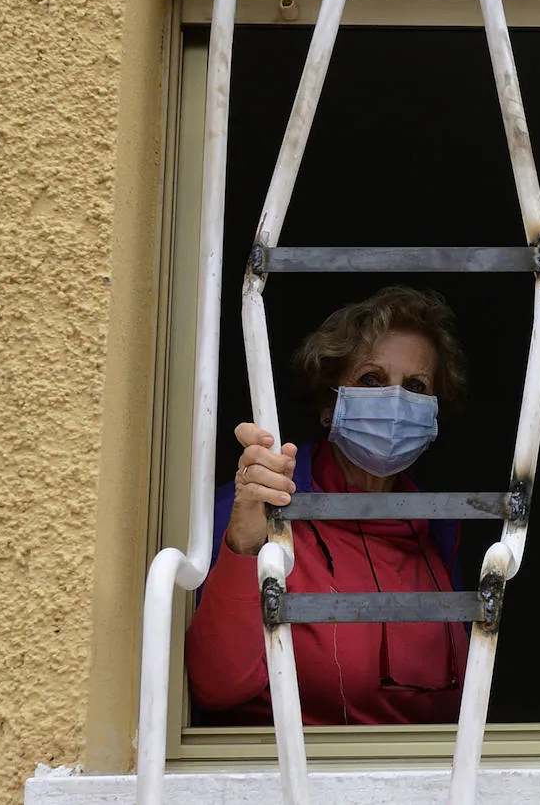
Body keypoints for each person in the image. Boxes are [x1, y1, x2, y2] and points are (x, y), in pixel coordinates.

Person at [186, 285, 470, 726]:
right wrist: (243, 545)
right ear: (328, 402)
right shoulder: (260, 506)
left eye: (416, 386)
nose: (396, 402)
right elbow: (218, 688)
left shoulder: (438, 530)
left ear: (433, 413)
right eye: (372, 379)